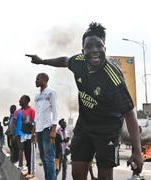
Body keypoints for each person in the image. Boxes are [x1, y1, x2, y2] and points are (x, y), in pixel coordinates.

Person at [26, 22, 143, 180]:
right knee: (77, 173)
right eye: (89, 46)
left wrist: (137, 151)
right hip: (85, 126)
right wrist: (43, 61)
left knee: (105, 176)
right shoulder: (78, 62)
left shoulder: (113, 77)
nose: (94, 50)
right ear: (83, 51)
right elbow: (64, 61)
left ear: (105, 49)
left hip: (107, 130)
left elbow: (130, 114)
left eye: (99, 46)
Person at [33, 73, 58, 180]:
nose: (35, 81)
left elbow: (55, 111)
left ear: (44, 80)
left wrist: (53, 129)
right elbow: (37, 113)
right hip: (38, 129)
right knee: (43, 158)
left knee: (49, 158)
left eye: (37, 79)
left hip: (47, 128)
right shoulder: (37, 95)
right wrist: (33, 130)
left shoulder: (51, 92)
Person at [14, 95, 35, 178]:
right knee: (25, 152)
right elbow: (16, 124)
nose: (19, 100)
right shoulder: (19, 111)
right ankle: (27, 169)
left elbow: (34, 123)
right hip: (22, 135)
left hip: (29, 135)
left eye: (21, 99)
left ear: (26, 101)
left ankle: (30, 170)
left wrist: (30, 125)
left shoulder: (32, 111)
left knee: (29, 152)